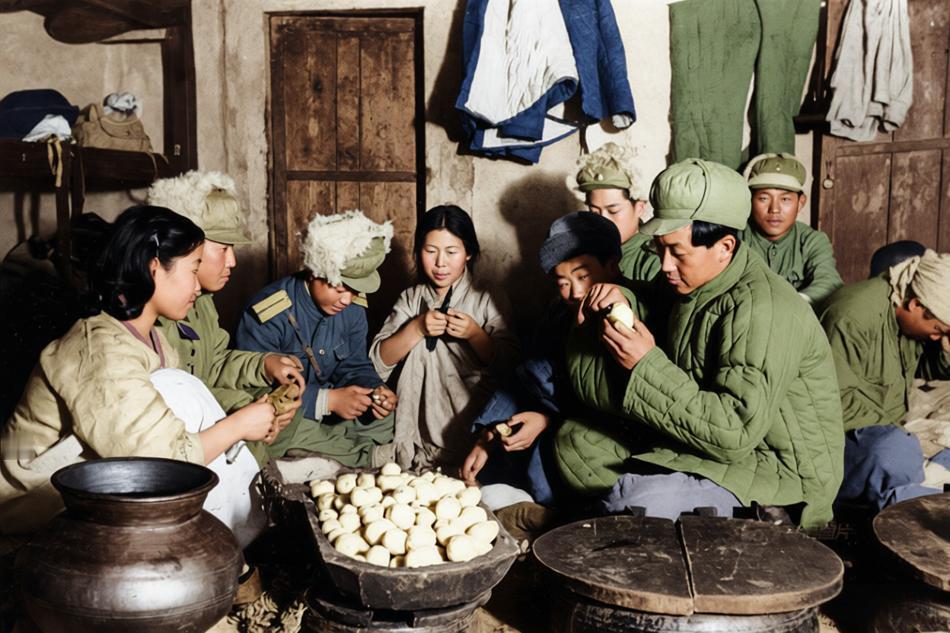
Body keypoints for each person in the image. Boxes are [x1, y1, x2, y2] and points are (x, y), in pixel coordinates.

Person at [554, 158, 845, 529]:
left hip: (775, 469)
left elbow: (733, 431)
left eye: (677, 252)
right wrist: (623, 297)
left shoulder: (763, 309)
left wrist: (645, 365)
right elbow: (656, 302)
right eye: (659, 249)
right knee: (577, 442)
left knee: (632, 499)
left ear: (725, 246)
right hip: (705, 444)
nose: (664, 266)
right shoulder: (697, 279)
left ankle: (774, 521)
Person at [1, 206, 278, 544]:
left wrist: (247, 423)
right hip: (30, 503)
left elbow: (171, 426)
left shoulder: (156, 340)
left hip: (87, 482)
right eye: (192, 270)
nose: (197, 285)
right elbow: (161, 462)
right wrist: (237, 426)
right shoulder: (98, 349)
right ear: (153, 268)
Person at [461, 212, 623, 509]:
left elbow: (620, 413)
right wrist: (490, 434)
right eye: (562, 282)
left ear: (612, 266)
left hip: (598, 447)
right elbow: (524, 376)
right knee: (493, 469)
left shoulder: (628, 320)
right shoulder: (558, 315)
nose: (574, 292)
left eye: (583, 276)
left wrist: (548, 421)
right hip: (549, 427)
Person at [235, 210, 398, 468]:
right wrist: (327, 402)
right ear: (313, 272)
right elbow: (255, 390)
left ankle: (322, 451)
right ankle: (359, 456)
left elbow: (354, 364)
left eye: (354, 290)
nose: (347, 299)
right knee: (278, 427)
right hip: (290, 415)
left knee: (384, 419)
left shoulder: (353, 308)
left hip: (334, 406)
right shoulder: (269, 312)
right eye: (340, 288)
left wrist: (376, 391)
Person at [370, 205, 518, 470]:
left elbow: (511, 367)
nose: (440, 263)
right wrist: (416, 328)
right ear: (418, 252)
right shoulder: (411, 299)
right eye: (430, 251)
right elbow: (378, 361)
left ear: (469, 253)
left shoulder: (487, 298)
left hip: (468, 427)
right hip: (416, 424)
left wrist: (475, 334)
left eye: (452, 252)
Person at [149, 171, 305, 418]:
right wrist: (241, 412)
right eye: (222, 248)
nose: (231, 260)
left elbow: (213, 364)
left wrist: (263, 364)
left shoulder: (203, 303)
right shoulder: (150, 315)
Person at [819, 249, 950, 510]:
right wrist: (901, 435)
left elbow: (920, 366)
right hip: (837, 440)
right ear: (915, 305)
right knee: (896, 453)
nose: (935, 337)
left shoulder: (901, 317)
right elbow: (830, 404)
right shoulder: (850, 316)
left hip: (890, 428)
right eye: (937, 330)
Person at [741, 153, 843, 305]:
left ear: (801, 203)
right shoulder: (736, 237)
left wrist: (789, 305)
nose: (774, 209)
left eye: (785, 199)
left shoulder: (812, 240)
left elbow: (829, 282)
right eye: (764, 198)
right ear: (749, 200)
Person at [572, 142, 660, 282]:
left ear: (640, 207)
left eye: (613, 211)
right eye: (594, 212)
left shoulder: (653, 262)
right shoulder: (582, 254)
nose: (603, 221)